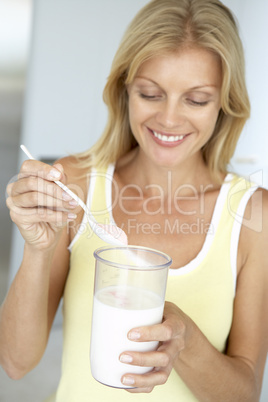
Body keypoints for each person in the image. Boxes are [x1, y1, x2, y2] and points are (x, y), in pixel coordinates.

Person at [1, 0, 268, 400]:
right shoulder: (77, 185)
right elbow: (16, 363)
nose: (169, 119)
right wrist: (38, 249)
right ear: (125, 89)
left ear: (224, 104)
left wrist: (185, 340)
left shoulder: (251, 214)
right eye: (150, 93)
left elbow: (244, 393)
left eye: (196, 100)